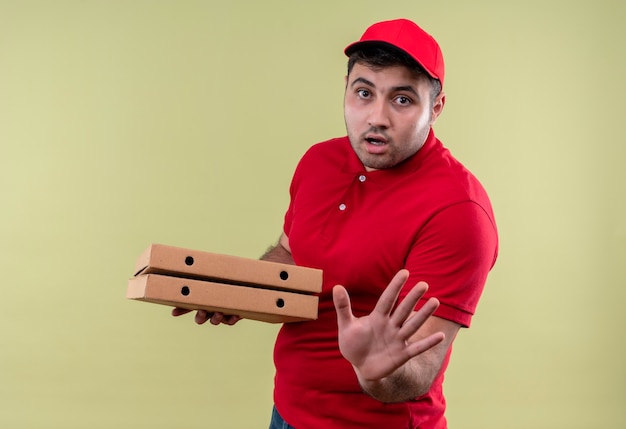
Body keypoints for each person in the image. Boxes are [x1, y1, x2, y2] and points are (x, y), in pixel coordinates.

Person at [173, 18, 498, 429]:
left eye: (401, 100)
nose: (376, 117)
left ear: (435, 108)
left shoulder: (459, 210)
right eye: (364, 93)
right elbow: (292, 254)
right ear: (346, 91)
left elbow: (420, 367)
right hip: (287, 413)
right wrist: (241, 290)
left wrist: (376, 369)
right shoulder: (318, 162)